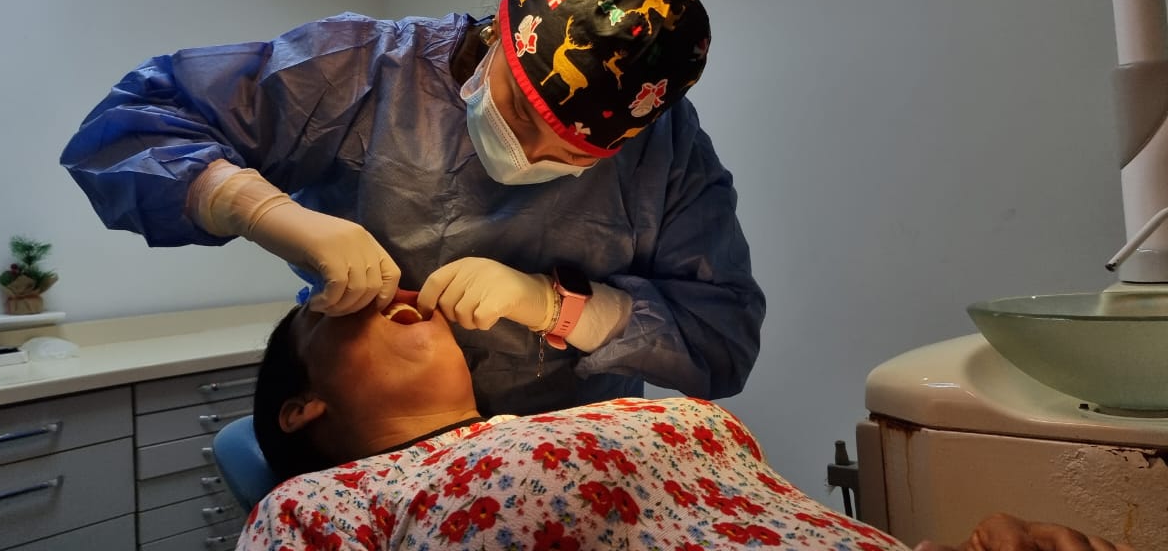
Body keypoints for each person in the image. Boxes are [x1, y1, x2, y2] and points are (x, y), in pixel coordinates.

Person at [61, 0, 765, 415]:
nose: (530, 154)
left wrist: (560, 306)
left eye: (572, 154)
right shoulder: (365, 72)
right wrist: (268, 213)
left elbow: (721, 337)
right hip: (375, 442)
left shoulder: (666, 150)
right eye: (521, 112)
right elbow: (127, 131)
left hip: (566, 455)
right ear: (503, 34)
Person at [239, 300, 1134, 551]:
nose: (388, 288)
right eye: (336, 306)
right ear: (301, 405)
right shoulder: (321, 501)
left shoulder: (602, 410)